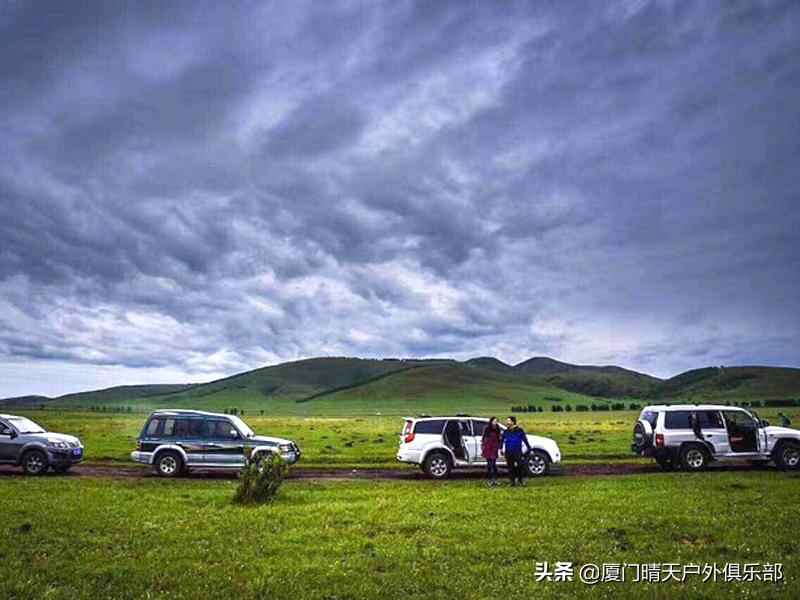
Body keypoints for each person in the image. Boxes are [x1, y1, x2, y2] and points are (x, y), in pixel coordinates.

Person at [501, 415, 532, 487]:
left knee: (520, 466)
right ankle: (512, 482)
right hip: (508, 452)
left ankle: (520, 481)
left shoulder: (519, 430)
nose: (507, 422)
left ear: (513, 422)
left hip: (517, 451)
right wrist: (500, 449)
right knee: (510, 467)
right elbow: (502, 441)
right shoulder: (506, 431)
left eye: (508, 421)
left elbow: (525, 440)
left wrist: (529, 448)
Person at [481, 417, 502, 487]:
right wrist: (484, 445)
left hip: (494, 448)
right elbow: (484, 438)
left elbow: (499, 439)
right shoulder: (487, 429)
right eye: (494, 421)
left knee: (494, 465)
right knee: (489, 465)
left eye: (496, 421)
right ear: (491, 422)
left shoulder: (498, 429)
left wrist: (499, 447)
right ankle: (490, 479)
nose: (495, 422)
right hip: (488, 448)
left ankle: (495, 479)